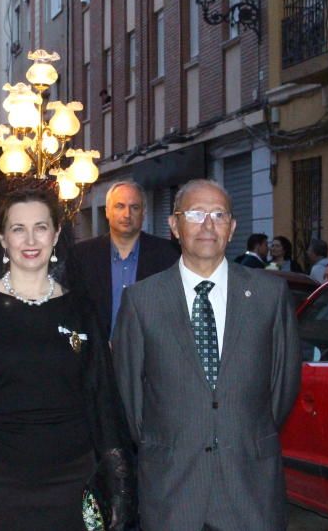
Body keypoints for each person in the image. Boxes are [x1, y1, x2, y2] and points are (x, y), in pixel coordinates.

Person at [0, 185, 132, 531]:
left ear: (56, 235)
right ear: (2, 236)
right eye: (18, 228)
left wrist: (118, 484)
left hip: (71, 482)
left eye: (40, 227)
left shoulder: (81, 310)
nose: (30, 239)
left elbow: (103, 399)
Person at [112, 179, 301, 530]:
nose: (208, 224)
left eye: (219, 214)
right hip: (172, 489)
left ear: (231, 228)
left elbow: (282, 387)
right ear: (174, 226)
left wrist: (238, 430)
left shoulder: (269, 296)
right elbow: (131, 400)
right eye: (196, 214)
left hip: (250, 489)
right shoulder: (142, 302)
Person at [68, 181, 179, 336]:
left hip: (149, 356)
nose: (127, 214)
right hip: (98, 356)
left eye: (134, 207)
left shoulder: (168, 255)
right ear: (107, 211)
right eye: (119, 206)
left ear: (143, 212)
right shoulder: (81, 256)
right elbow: (74, 310)